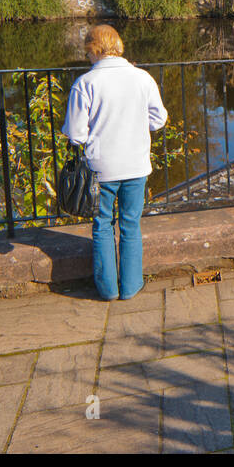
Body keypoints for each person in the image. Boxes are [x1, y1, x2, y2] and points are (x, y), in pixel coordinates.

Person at [62, 25, 167, 301]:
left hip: (101, 169)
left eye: (87, 51)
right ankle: (131, 286)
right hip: (136, 164)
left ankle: (107, 289)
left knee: (103, 225)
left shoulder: (85, 83)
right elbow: (158, 119)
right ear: (118, 45)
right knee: (131, 224)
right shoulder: (142, 78)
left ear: (93, 49)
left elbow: (75, 134)